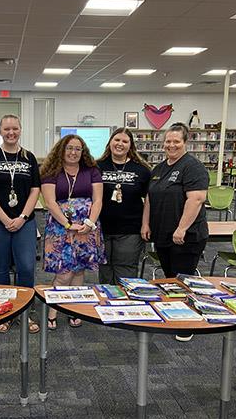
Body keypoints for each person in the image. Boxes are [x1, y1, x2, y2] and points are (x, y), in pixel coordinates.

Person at [141, 122, 208, 342]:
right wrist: (146, 224)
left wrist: (182, 228)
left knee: (183, 280)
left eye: (176, 141)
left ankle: (187, 324)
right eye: (168, 141)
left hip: (185, 236)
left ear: (185, 142)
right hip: (163, 234)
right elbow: (150, 198)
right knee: (170, 279)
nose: (171, 145)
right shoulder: (159, 169)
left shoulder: (193, 167)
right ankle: (175, 314)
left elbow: (196, 199)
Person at [0, 114, 41, 334]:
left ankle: (25, 312)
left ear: (20, 130)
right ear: (0, 131)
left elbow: (35, 190)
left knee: (26, 267)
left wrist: (22, 217)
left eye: (15, 128)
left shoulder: (29, 158)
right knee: (1, 267)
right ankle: (3, 312)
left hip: (25, 221)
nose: (11, 132)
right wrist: (5, 219)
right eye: (6, 129)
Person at [41, 134, 105, 329]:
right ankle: (53, 310)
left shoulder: (91, 170)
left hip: (87, 227)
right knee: (64, 271)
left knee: (79, 269)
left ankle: (73, 308)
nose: (73, 152)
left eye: (78, 148)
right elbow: (50, 203)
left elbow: (98, 200)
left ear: (83, 151)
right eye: (69, 148)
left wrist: (90, 222)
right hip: (60, 228)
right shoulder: (51, 170)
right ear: (62, 149)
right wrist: (69, 225)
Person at [97, 128, 152, 284]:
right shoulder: (97, 166)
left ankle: (125, 305)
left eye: (125, 141)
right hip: (102, 227)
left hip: (131, 230)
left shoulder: (142, 170)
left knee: (125, 270)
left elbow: (148, 199)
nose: (120, 144)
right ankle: (106, 304)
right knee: (105, 269)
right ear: (110, 143)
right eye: (117, 140)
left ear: (131, 146)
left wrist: (145, 224)